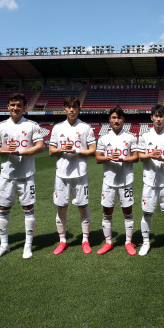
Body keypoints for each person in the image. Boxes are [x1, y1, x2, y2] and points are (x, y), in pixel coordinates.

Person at [0, 93, 45, 260]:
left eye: (19, 105)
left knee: (28, 209)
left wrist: (19, 152)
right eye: (13, 104)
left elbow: (40, 147)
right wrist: (7, 150)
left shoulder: (32, 125)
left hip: (26, 174)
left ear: (24, 107)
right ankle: (4, 245)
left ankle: (28, 246)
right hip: (6, 175)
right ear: (8, 106)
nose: (15, 108)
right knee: (3, 209)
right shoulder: (0, 126)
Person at [49, 96, 96, 255]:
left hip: (80, 174)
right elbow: (51, 151)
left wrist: (76, 151)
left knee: (83, 208)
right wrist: (63, 149)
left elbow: (92, 150)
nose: (71, 110)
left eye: (74, 107)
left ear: (79, 109)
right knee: (62, 208)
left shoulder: (86, 127)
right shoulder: (57, 128)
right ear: (64, 109)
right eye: (68, 107)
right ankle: (62, 241)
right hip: (61, 175)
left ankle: (85, 240)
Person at [137, 104, 164, 257]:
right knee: (147, 213)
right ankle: (146, 243)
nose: (158, 119)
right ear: (151, 118)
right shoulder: (144, 136)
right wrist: (150, 155)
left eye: (161, 116)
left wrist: (162, 157)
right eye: (156, 116)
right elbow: (139, 157)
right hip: (149, 182)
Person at [95, 106, 139, 255]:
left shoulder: (131, 137)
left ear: (123, 120)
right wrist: (108, 157)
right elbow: (97, 158)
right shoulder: (103, 138)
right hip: (108, 181)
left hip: (126, 180)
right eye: (114, 117)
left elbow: (136, 157)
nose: (116, 120)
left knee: (127, 211)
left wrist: (124, 158)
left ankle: (128, 242)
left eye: (119, 118)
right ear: (110, 120)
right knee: (107, 211)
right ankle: (108, 243)